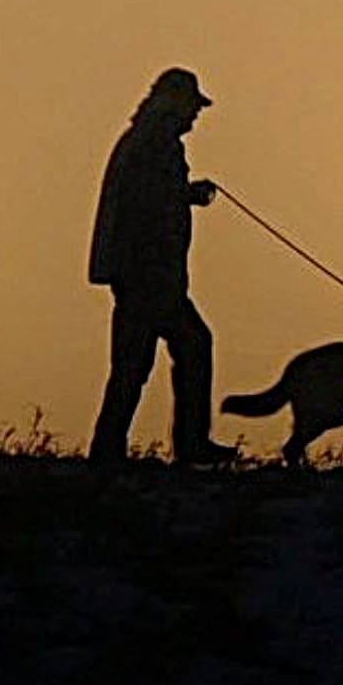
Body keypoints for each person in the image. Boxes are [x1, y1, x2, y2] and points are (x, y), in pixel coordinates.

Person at [87, 67, 238, 466]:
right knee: (186, 347)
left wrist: (185, 194)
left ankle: (110, 449)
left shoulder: (145, 141)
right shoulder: (155, 144)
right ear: (175, 102)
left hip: (143, 273)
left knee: (135, 363)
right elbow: (148, 206)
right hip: (149, 275)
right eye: (193, 106)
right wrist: (184, 196)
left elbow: (152, 198)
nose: (195, 116)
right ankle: (188, 445)